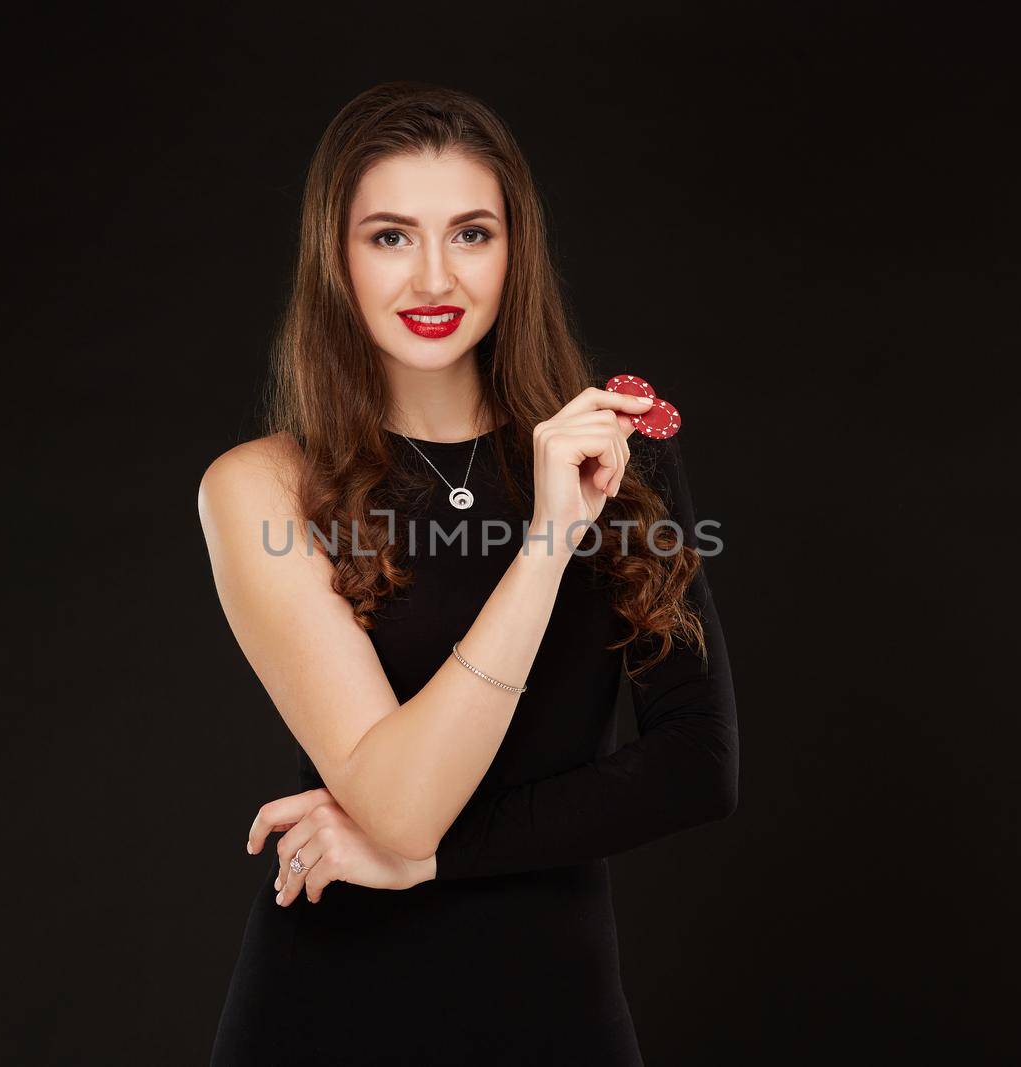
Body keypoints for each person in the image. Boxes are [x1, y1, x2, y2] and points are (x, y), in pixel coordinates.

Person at [196, 80, 738, 1066]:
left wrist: (430, 858)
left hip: (556, 1013)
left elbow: (696, 763)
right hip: (326, 1014)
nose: (433, 278)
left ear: (516, 250)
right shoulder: (262, 486)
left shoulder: (617, 452)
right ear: (336, 256)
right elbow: (401, 802)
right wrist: (544, 543)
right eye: (391, 236)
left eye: (472, 234)